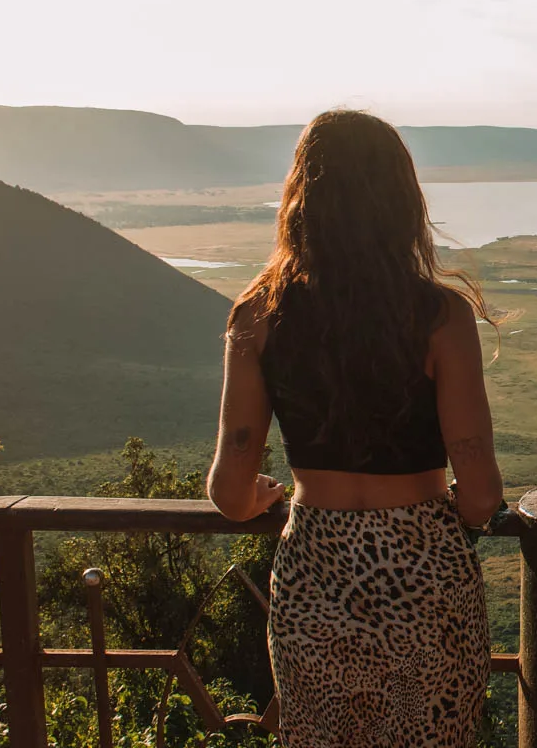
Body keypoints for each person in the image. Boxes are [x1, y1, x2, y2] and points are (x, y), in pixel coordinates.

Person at [206, 109, 503, 747]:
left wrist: (260, 497)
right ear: (402, 202)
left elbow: (230, 492)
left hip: (315, 576)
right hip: (427, 577)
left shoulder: (258, 315)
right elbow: (480, 496)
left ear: (301, 201)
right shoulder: (442, 316)